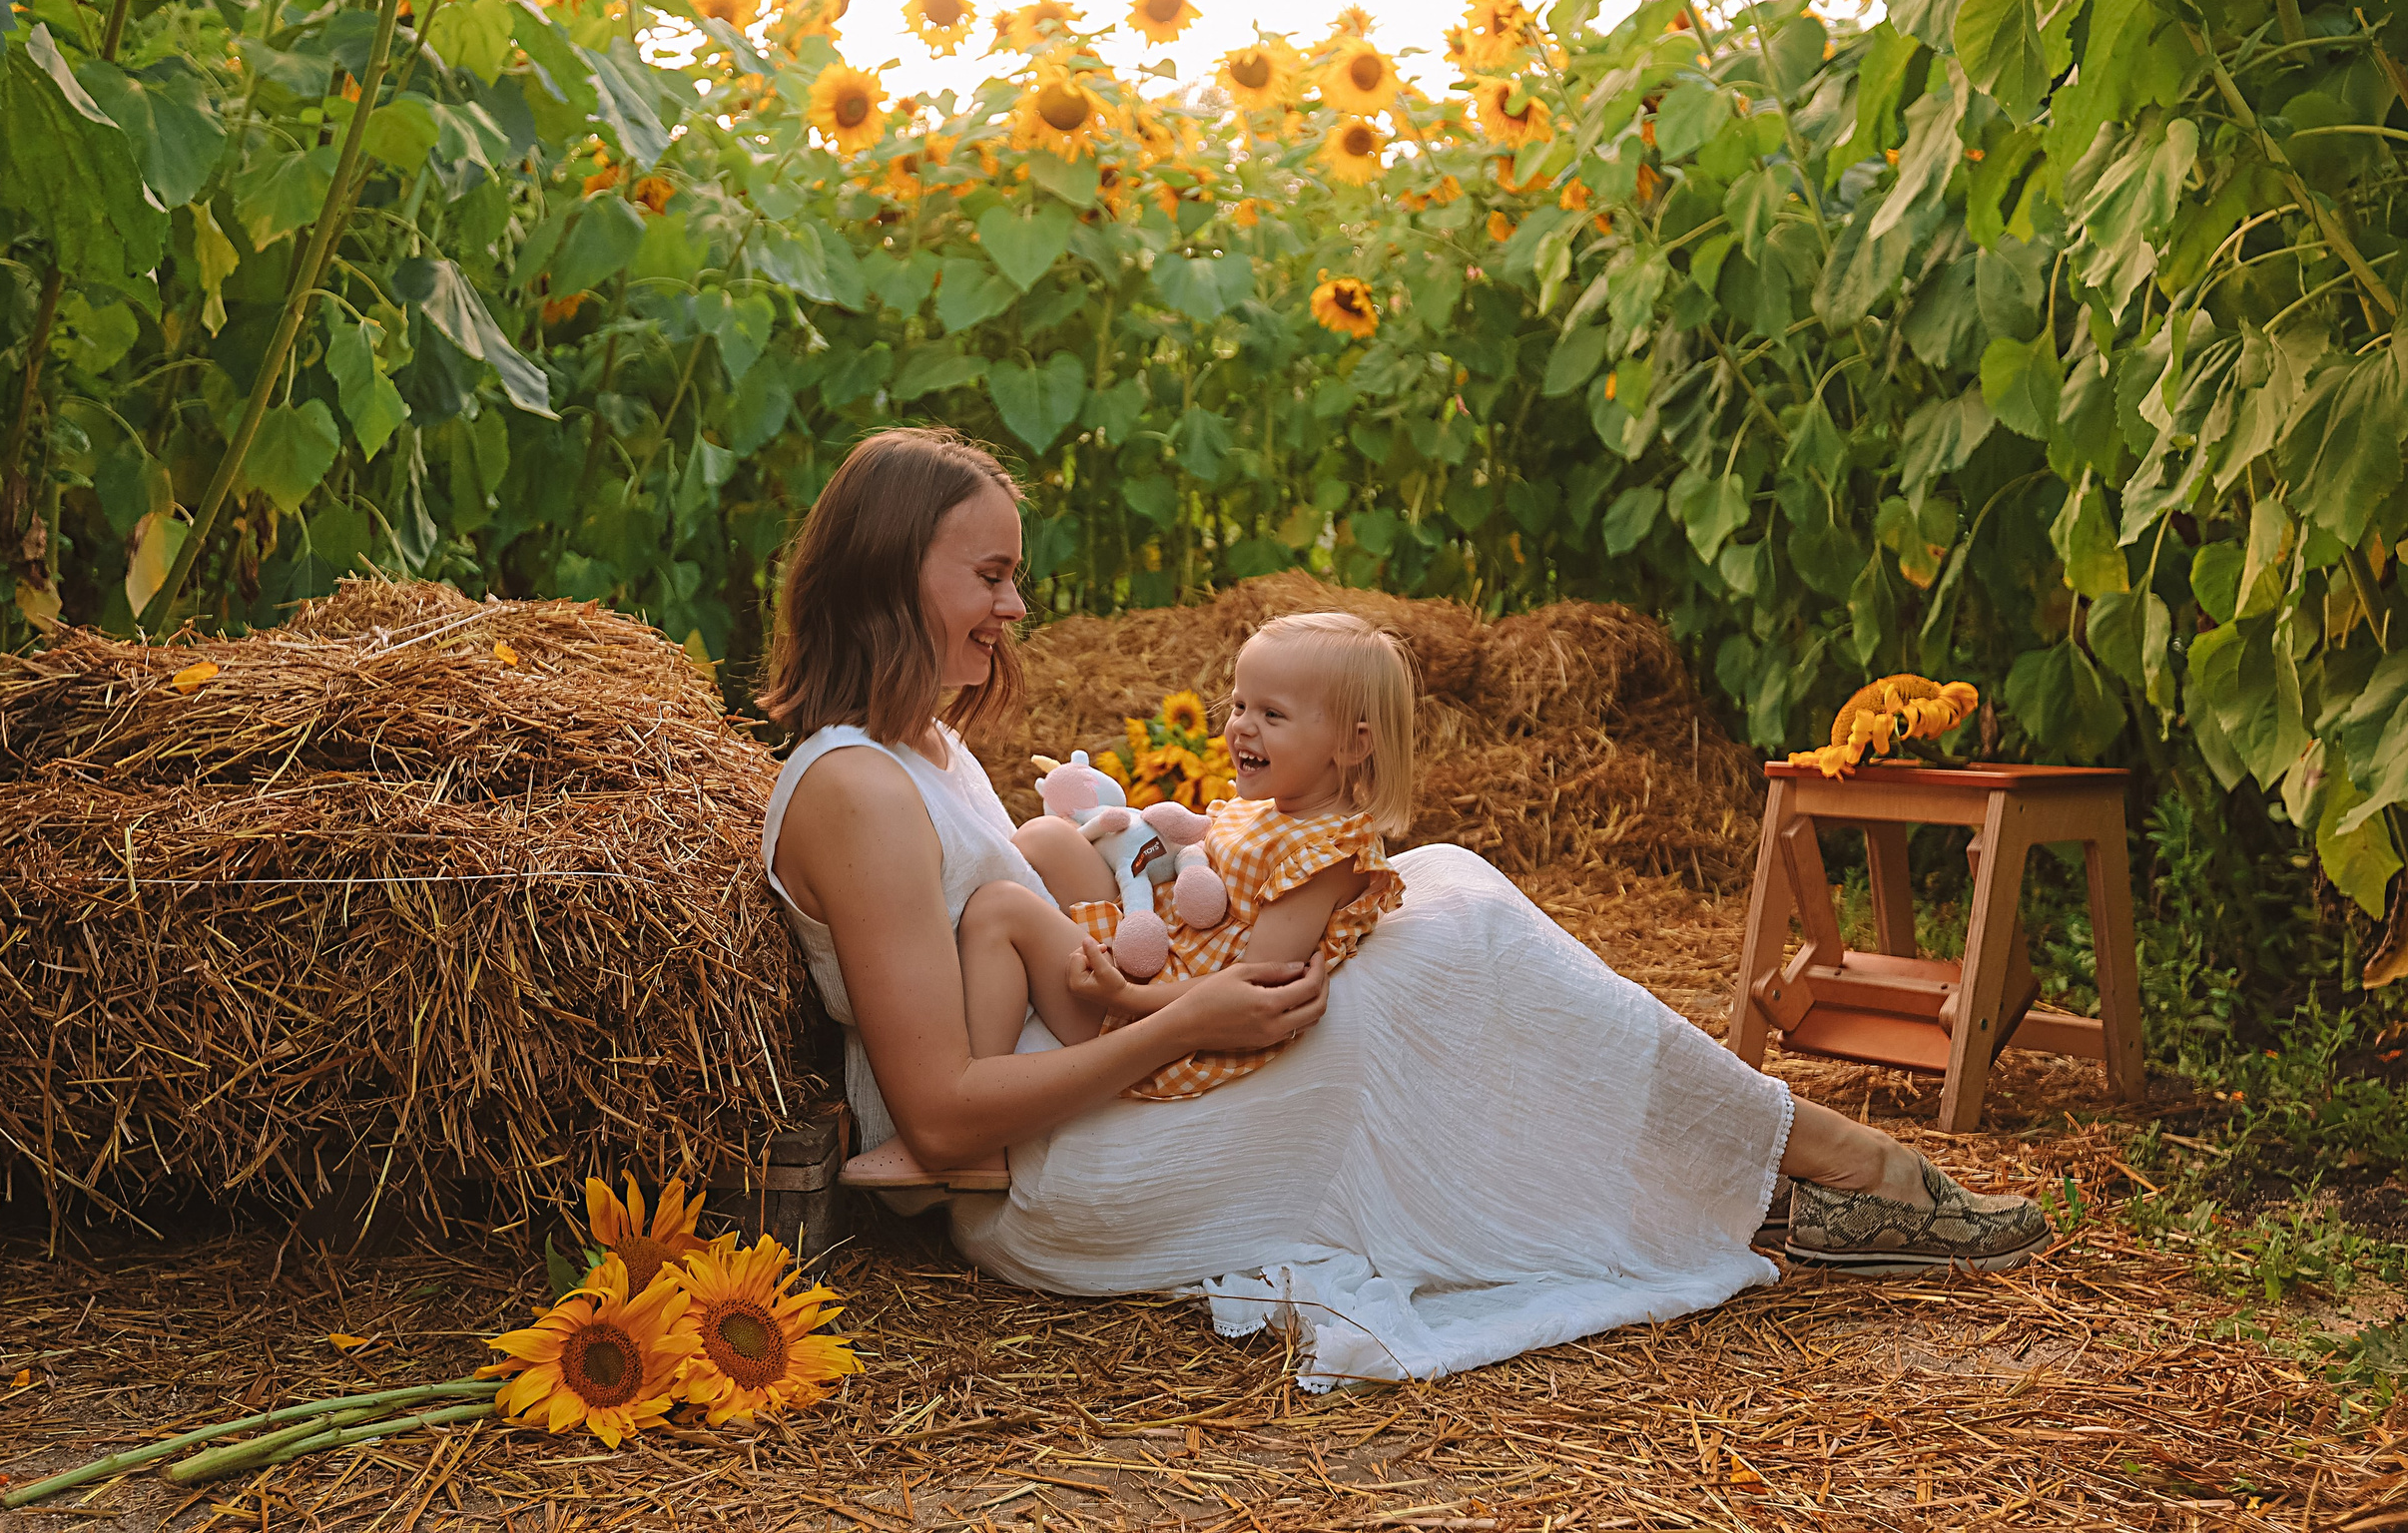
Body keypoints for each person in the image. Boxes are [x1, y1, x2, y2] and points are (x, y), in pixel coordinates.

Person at [760, 427, 2049, 1386]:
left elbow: (1057, 909)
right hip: (1037, 1169)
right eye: (990, 572)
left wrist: (1147, 898)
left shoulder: (923, 744)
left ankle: (1775, 1162)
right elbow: (934, 1112)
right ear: (890, 565)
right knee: (1446, 958)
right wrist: (1184, 1013)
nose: (1016, 604)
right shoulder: (859, 788)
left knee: (1442, 894)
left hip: (1097, 1067)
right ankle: (1829, 1165)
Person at [838, 610, 1417, 1191]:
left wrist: (1129, 996)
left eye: (1273, 715)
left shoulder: (1328, 854)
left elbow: (1253, 985)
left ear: (1350, 743)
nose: (1241, 727)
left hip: (1169, 1024)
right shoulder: (1275, 810)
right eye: (1240, 706)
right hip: (1167, 947)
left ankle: (975, 1138)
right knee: (1045, 838)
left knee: (998, 909)